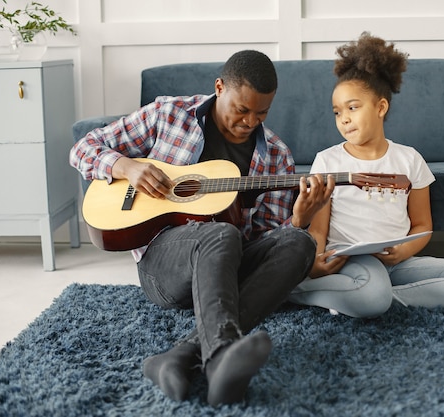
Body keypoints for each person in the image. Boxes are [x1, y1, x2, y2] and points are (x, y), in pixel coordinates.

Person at [70, 50, 334, 406]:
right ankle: (220, 354)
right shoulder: (168, 114)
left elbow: (266, 238)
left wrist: (300, 217)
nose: (250, 122)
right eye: (242, 110)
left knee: (299, 243)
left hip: (228, 264)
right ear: (219, 87)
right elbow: (83, 148)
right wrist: (126, 168)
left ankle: (179, 357)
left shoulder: (276, 157)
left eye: (262, 113)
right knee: (219, 233)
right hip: (163, 264)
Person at [287, 33, 444, 318]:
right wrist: (316, 263)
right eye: (337, 112)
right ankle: (291, 290)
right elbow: (319, 229)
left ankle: (372, 297)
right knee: (371, 288)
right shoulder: (327, 160)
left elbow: (422, 224)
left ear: (381, 107)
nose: (343, 118)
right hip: (351, 260)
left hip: (398, 262)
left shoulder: (409, 159)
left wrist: (404, 250)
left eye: (352, 107)